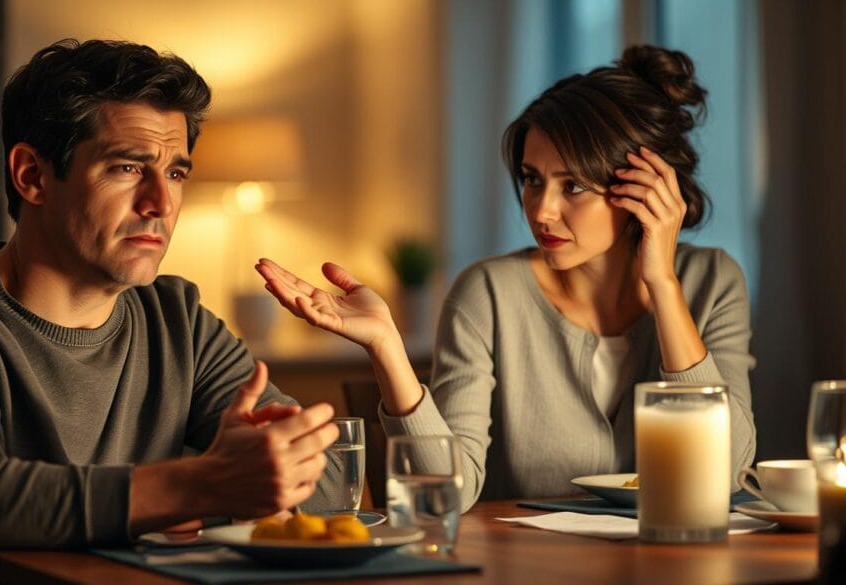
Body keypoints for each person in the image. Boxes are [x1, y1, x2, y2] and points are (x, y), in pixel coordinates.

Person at [0, 39, 339, 583]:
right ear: (32, 176)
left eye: (176, 174)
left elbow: (329, 485)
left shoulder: (179, 320)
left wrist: (243, 479)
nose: (161, 204)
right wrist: (201, 485)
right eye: (127, 168)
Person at [257, 45, 756, 512]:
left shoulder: (712, 282)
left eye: (573, 186)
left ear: (644, 190)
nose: (541, 210)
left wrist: (663, 285)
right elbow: (443, 498)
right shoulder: (488, 294)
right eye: (532, 179)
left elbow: (725, 470)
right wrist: (386, 345)